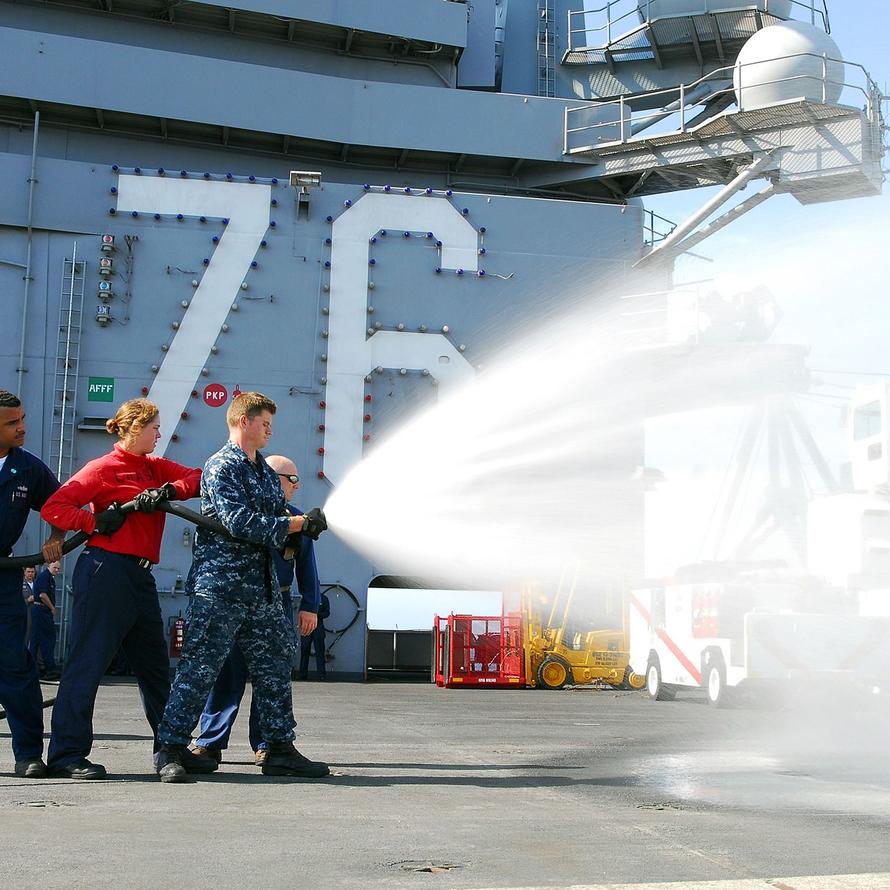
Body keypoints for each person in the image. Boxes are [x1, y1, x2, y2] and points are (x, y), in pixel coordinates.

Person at [154, 391, 329, 783]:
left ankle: (278, 746)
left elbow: (274, 516)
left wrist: (298, 523)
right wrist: (296, 525)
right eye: (265, 423)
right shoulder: (222, 466)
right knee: (200, 668)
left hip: (262, 591)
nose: (269, 430)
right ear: (244, 421)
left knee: (275, 667)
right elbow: (239, 522)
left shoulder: (264, 471)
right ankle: (171, 748)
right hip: (221, 589)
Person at [39, 398, 216, 780]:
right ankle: (66, 755)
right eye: (154, 427)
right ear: (134, 428)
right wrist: (94, 521)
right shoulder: (102, 469)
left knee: (154, 667)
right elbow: (55, 507)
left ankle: (170, 747)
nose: (158, 433)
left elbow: (201, 479)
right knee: (88, 663)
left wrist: (167, 491)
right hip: (106, 571)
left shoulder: (153, 467)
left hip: (139, 576)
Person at [191, 455, 321, 767]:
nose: (297, 485)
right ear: (274, 477)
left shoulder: (298, 520)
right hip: (235, 604)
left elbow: (307, 567)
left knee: (271, 678)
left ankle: (266, 744)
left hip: (276, 604)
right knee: (225, 673)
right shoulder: (243, 515)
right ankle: (210, 742)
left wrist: (310, 606)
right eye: (292, 479)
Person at [0, 389, 63, 779]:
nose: (22, 427)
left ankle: (28, 755)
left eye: (22, 419)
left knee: (14, 666)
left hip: (3, 578)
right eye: (12, 423)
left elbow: (59, 503)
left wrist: (56, 536)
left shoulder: (27, 469)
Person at [29, 560, 61, 680]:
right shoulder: (45, 577)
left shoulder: (48, 578)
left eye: (58, 568)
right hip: (42, 611)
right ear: (49, 565)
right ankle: (50, 668)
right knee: (48, 639)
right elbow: (42, 595)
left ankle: (33, 668)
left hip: (39, 612)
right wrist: (52, 607)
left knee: (36, 641)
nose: (57, 570)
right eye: (55, 568)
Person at [298, 592, 329, 682]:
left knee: (320, 651)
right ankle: (302, 674)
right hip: (307, 627)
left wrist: (317, 615)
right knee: (304, 650)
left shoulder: (324, 599)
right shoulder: (306, 598)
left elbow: (327, 613)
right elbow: (301, 611)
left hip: (318, 627)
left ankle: (321, 675)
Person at [21, 566, 35, 646]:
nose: (30, 574)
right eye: (28, 572)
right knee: (25, 638)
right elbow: (16, 601)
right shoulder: (20, 584)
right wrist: (27, 600)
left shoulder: (37, 583)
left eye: (32, 572)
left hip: (36, 614)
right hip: (25, 615)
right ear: (24, 572)